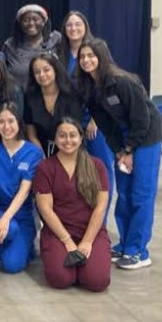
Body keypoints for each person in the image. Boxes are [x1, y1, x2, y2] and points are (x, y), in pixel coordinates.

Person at [76, 38, 162, 270]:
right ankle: (125, 243)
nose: (86, 60)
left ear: (102, 56)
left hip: (146, 138)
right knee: (124, 193)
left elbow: (141, 120)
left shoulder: (124, 82)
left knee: (141, 193)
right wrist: (119, 151)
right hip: (123, 142)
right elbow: (106, 126)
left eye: (91, 56)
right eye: (82, 56)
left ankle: (139, 250)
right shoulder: (90, 90)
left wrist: (130, 149)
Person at [35, 118, 111, 292]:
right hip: (58, 232)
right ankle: (70, 263)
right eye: (62, 136)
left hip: (90, 231)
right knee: (60, 279)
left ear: (81, 138)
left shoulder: (97, 166)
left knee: (97, 281)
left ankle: (86, 266)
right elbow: (45, 210)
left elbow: (101, 207)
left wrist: (87, 242)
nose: (68, 140)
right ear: (55, 138)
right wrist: (67, 241)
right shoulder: (45, 167)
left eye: (72, 135)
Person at [55, 11, 117, 205]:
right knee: (76, 170)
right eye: (69, 25)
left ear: (85, 26)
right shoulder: (60, 55)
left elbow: (106, 86)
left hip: (94, 123)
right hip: (71, 121)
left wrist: (95, 120)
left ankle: (102, 220)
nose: (73, 29)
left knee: (102, 169)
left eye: (78, 24)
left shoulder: (96, 50)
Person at [0, 102, 43, 274]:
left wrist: (6, 218)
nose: (6, 127)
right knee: (9, 231)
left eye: (11, 121)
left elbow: (24, 191)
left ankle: (24, 245)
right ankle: (1, 240)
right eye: (1, 122)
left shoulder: (33, 153)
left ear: (19, 123)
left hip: (21, 214)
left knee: (11, 265)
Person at [24, 53, 84, 157]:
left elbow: (76, 129)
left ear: (55, 70)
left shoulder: (71, 94)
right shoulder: (30, 97)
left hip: (71, 149)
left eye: (46, 70)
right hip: (40, 151)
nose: (42, 75)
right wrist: (41, 157)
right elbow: (31, 133)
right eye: (37, 72)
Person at [2, 4, 62, 88]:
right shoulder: (10, 46)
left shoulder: (56, 40)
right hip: (19, 98)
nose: (31, 23)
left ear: (43, 22)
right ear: (20, 24)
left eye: (35, 19)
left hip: (49, 97)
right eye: (26, 20)